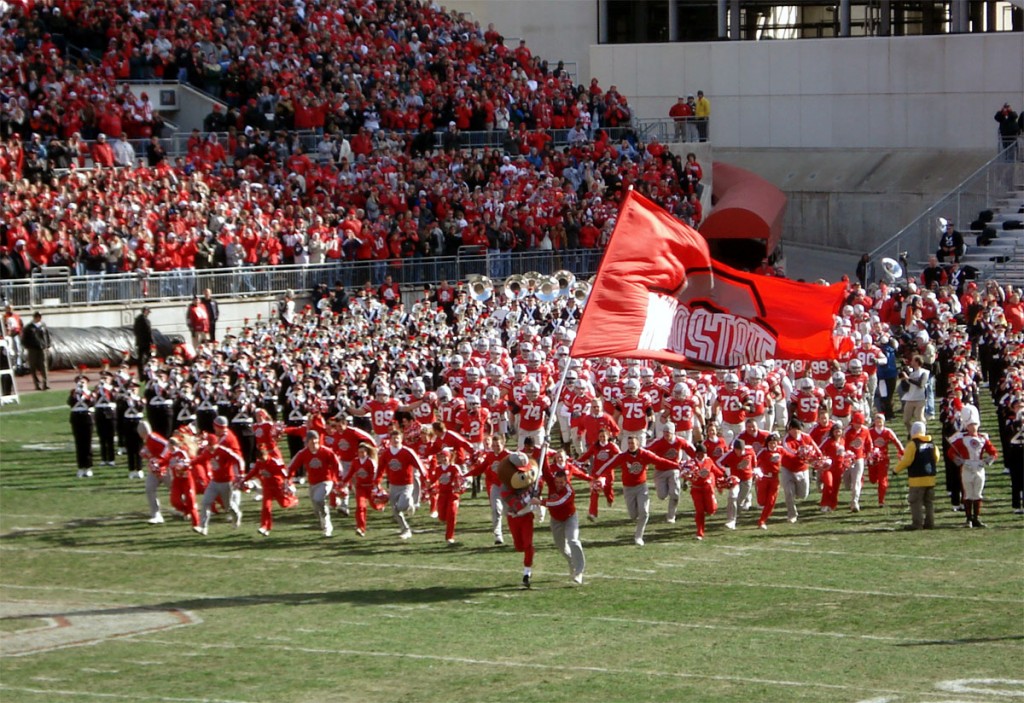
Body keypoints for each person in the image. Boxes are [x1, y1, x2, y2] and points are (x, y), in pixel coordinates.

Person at [594, 434, 680, 546]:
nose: (630, 445)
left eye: (632, 443)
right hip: (628, 488)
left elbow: (660, 461)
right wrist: (596, 475)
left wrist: (677, 465)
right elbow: (608, 465)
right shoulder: (622, 456)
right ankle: (637, 526)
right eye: (629, 443)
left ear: (637, 444)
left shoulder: (645, 454)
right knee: (633, 515)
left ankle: (638, 537)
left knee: (644, 513)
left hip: (641, 487)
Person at [532, 468, 585, 585]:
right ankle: (572, 563)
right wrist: (543, 450)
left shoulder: (569, 491)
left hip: (570, 518)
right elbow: (545, 469)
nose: (558, 485)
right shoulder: (552, 483)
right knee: (561, 547)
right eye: (557, 482)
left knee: (573, 541)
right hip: (556, 520)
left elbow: (557, 502)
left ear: (566, 482)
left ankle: (579, 571)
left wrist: (541, 502)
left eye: (561, 482)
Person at [949, 406, 999, 528]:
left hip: (979, 468)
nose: (973, 427)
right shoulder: (961, 439)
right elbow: (951, 452)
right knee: (968, 494)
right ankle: (968, 518)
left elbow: (994, 452)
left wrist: (986, 461)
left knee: (977, 493)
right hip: (967, 468)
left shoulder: (983, 439)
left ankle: (976, 517)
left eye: (975, 424)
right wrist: (960, 461)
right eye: (971, 425)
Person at [287, 429, 342, 538]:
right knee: (316, 508)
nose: (314, 445)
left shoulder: (326, 451)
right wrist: (288, 480)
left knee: (319, 499)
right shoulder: (303, 453)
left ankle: (328, 526)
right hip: (313, 483)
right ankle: (323, 521)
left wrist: (338, 481)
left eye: (316, 442)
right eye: (311, 442)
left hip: (326, 481)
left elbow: (337, 466)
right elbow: (292, 467)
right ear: (307, 442)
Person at [196, 416, 244, 535]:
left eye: (220, 428)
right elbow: (204, 455)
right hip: (215, 478)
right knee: (206, 502)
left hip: (228, 475)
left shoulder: (228, 440)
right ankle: (203, 526)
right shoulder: (214, 444)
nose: (218, 430)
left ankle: (236, 514)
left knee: (228, 506)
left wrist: (239, 475)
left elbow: (237, 457)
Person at [375, 428, 425, 540]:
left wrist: (425, 476)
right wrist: (377, 482)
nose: (395, 440)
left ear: (401, 439)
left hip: (406, 485)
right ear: (390, 440)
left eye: (397, 438)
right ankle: (405, 529)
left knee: (402, 506)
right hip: (393, 485)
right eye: (393, 438)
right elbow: (380, 468)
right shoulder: (386, 453)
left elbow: (418, 464)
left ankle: (410, 504)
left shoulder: (407, 452)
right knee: (395, 511)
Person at [242, 443, 298, 536]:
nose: (261, 460)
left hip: (278, 487)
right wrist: (244, 479)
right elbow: (254, 472)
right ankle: (265, 527)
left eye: (263, 458)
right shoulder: (259, 463)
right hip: (267, 488)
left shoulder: (275, 462)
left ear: (266, 455)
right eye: (260, 459)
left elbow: (285, 472)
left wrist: (289, 484)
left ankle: (294, 500)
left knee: (284, 504)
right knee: (266, 507)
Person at [891, 421, 938, 530]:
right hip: (930, 478)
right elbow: (936, 457)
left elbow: (907, 461)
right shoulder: (932, 443)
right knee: (929, 502)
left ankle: (917, 524)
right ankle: (930, 523)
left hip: (917, 479)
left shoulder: (913, 444)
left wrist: (896, 470)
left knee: (916, 502)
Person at [682, 444, 723, 540]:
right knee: (699, 511)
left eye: (704, 453)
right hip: (696, 489)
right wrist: (685, 481)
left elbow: (716, 471)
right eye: (700, 453)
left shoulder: (708, 460)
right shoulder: (691, 463)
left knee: (711, 510)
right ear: (697, 454)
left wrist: (724, 476)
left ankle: (713, 503)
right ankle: (700, 532)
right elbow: (685, 473)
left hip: (707, 487)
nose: (702, 455)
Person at [68, 372, 95, 478]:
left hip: (87, 418)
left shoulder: (90, 393)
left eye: (83, 382)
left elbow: (91, 403)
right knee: (79, 444)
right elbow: (70, 403)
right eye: (79, 382)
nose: (81, 384)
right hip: (76, 418)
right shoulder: (73, 393)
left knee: (87, 444)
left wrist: (84, 394)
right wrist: (76, 394)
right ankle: (80, 467)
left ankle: (88, 467)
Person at [899, 355, 930, 436]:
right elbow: (907, 386)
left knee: (919, 418)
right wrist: (904, 379)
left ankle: (923, 433)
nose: (911, 362)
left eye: (913, 360)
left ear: (917, 362)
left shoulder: (924, 372)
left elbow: (921, 384)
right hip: (910, 398)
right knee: (906, 420)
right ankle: (912, 433)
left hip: (920, 398)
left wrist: (908, 378)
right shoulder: (912, 373)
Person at [20, 311, 51, 390]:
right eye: (38, 316)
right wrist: (27, 346)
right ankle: (36, 384)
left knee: (44, 366)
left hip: (42, 348)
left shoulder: (43, 326)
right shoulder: (29, 327)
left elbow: (47, 336)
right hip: (32, 349)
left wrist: (47, 345)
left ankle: (45, 383)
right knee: (32, 367)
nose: (39, 318)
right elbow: (24, 339)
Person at [133, 307, 152, 379]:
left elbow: (135, 330)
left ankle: (141, 374)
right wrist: (151, 341)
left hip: (139, 341)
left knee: (140, 359)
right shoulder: (145, 320)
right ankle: (148, 374)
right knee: (149, 358)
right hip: (146, 342)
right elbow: (148, 332)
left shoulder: (137, 319)